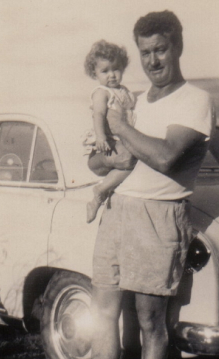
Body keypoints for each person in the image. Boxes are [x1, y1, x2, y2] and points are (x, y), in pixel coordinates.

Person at [90, 11, 215, 359]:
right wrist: (109, 151)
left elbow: (165, 158)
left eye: (160, 50)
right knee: (104, 316)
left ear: (178, 47)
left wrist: (121, 126)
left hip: (159, 218)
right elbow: (96, 163)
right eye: (145, 52)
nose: (152, 61)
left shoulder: (196, 99)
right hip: (116, 214)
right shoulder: (133, 100)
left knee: (150, 321)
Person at [83, 40, 137, 223]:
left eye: (116, 69)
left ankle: (103, 193)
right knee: (131, 161)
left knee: (133, 161)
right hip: (108, 141)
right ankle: (100, 192)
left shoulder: (125, 91)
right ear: (94, 73)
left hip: (123, 139)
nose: (111, 75)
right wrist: (100, 136)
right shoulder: (102, 92)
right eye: (104, 71)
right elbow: (98, 115)